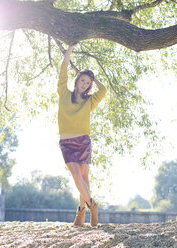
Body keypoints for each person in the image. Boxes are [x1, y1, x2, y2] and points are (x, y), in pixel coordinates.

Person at [57, 44, 107, 226]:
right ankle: (93, 206)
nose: (85, 84)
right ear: (77, 80)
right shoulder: (63, 93)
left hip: (83, 141)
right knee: (77, 176)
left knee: (84, 179)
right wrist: (69, 51)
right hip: (66, 142)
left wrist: (94, 78)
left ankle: (80, 214)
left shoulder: (89, 101)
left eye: (88, 83)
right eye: (83, 80)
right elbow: (62, 71)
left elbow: (104, 91)